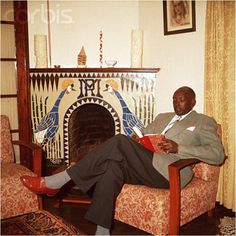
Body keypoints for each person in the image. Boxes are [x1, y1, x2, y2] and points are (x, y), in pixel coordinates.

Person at [20, 86, 225, 235]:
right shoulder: (163, 116)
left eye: (181, 99)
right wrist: (138, 138)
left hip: (171, 171)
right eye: (174, 99)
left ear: (192, 102)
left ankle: (57, 181)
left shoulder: (203, 122)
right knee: (112, 166)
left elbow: (217, 154)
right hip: (147, 163)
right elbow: (142, 133)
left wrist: (179, 147)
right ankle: (102, 232)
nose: (176, 103)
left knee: (119, 141)